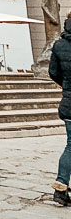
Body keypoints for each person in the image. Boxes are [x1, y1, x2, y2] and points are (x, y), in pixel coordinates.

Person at [49, 16, 71, 206]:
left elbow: (53, 72)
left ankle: (61, 185)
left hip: (69, 102)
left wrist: (66, 86)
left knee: (70, 146)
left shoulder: (59, 45)